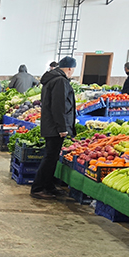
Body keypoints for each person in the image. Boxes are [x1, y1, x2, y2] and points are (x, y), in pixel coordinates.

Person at [31, 56, 77, 200]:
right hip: (55, 127)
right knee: (50, 157)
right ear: (69, 68)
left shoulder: (52, 79)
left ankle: (48, 186)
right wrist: (62, 127)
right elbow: (59, 106)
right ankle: (38, 188)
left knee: (52, 156)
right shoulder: (60, 81)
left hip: (51, 124)